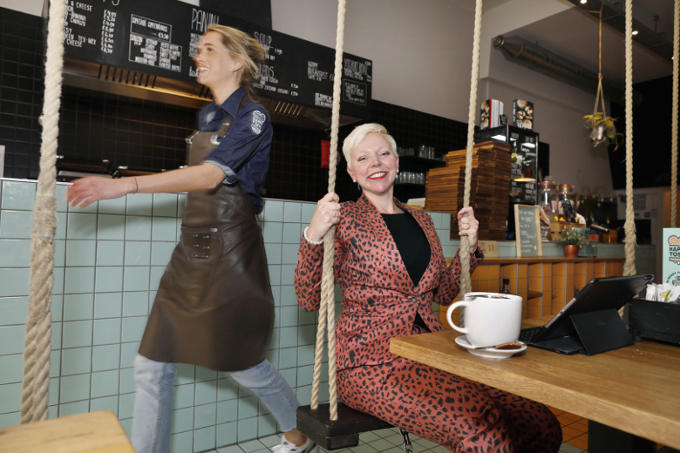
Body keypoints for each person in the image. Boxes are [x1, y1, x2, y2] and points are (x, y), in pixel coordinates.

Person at [67, 24, 316, 453]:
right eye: (197, 49)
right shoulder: (206, 116)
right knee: (150, 364)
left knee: (243, 365)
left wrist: (123, 185)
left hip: (232, 251)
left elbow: (211, 174)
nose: (196, 57)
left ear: (237, 61)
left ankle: (297, 431)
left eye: (207, 49)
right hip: (191, 250)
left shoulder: (253, 116)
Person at [294, 123, 562, 452]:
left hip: (431, 352)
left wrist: (471, 247)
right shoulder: (344, 218)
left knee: (539, 421)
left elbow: (446, 294)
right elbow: (308, 298)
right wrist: (314, 234)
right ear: (351, 172)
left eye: (383, 154)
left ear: (396, 162)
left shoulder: (422, 220)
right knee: (486, 432)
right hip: (372, 364)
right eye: (363, 158)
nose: (375, 163)